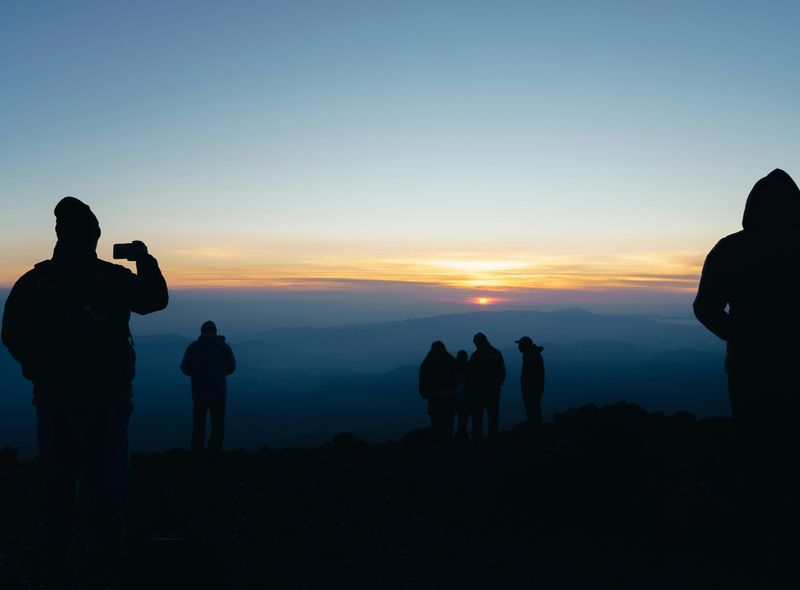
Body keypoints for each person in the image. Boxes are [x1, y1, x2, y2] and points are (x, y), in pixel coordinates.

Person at [1, 197, 168, 573]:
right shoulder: (111, 278)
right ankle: (110, 551)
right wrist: (144, 259)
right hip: (108, 395)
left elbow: (11, 332)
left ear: (60, 235)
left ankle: (55, 553)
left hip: (54, 396)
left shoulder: (36, 282)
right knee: (107, 474)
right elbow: (156, 299)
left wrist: (36, 369)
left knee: (59, 473)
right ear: (93, 236)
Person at [693, 168, 800, 539]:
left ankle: (755, 525)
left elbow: (704, 308)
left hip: (747, 367)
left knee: (754, 442)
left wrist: (739, 337)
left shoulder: (731, 248)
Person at [181, 320, 236, 453]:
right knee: (218, 425)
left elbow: (184, 368)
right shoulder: (224, 347)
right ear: (215, 332)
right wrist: (220, 374)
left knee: (199, 424)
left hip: (199, 392)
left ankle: (197, 453)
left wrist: (196, 375)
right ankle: (214, 453)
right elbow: (231, 367)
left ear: (202, 332)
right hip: (219, 392)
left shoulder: (193, 347)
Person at [467, 332, 506, 440]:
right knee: (493, 417)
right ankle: (493, 439)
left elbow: (470, 375)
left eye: (476, 344)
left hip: (479, 393)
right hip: (494, 391)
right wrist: (497, 384)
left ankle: (477, 440)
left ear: (479, 342)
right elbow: (502, 372)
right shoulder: (497, 353)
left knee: (477, 418)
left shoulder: (476, 355)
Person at [418, 341, 458, 441]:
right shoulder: (450, 359)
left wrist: (424, 393)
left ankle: (438, 445)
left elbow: (422, 378)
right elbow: (457, 375)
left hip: (434, 398)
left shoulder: (427, 361)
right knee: (448, 424)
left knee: (436, 424)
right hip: (449, 398)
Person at [516, 336, 545, 424]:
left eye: (520, 345)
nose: (518, 347)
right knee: (535, 409)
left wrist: (528, 387)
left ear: (525, 345)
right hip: (534, 388)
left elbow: (531, 375)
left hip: (532, 389)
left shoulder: (530, 356)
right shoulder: (531, 354)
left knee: (533, 409)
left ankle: (535, 429)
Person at [454, 349, 470, 440]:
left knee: (461, 418)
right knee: (464, 419)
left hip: (457, 398)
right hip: (468, 398)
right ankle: (463, 436)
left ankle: (461, 436)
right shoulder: (470, 367)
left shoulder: (454, 368)